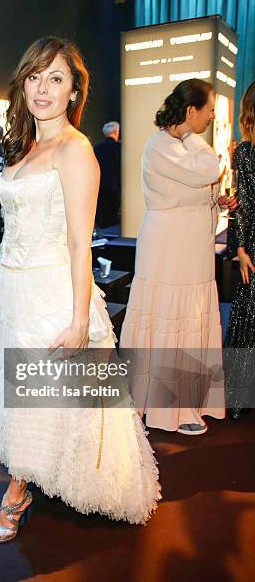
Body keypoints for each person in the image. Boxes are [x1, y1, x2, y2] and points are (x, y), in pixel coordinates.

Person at [0, 36, 161, 544]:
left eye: (55, 78)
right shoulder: (24, 145)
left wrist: (80, 317)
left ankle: (16, 491)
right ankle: (39, 474)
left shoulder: (77, 149)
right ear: (23, 83)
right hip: (15, 289)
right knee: (29, 393)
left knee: (43, 394)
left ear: (72, 93)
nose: (43, 88)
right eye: (35, 77)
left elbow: (80, 242)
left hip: (54, 288)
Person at [119, 79, 236, 435]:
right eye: (210, 109)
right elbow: (206, 171)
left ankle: (191, 399)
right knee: (170, 319)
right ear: (190, 111)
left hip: (192, 250)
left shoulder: (184, 146)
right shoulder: (162, 145)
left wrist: (215, 201)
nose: (213, 116)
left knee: (191, 318)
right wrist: (191, 139)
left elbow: (196, 189)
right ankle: (169, 408)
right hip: (169, 250)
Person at [225, 80, 255, 419]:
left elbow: (244, 205)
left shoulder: (245, 151)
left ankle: (240, 395)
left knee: (249, 314)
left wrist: (242, 247)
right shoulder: (245, 152)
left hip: (253, 240)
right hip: (254, 241)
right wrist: (242, 248)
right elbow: (243, 204)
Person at [94, 121, 121, 228]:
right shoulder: (120, 148)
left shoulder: (97, 148)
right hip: (115, 188)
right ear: (116, 132)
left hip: (100, 187)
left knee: (102, 217)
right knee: (113, 218)